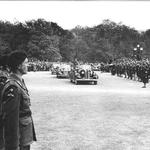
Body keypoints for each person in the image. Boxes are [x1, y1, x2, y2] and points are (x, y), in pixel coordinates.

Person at [1, 51, 36, 150]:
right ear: (18, 66)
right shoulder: (13, 87)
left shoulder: (19, 82)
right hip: (19, 138)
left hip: (24, 135)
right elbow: (11, 119)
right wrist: (13, 145)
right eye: (26, 63)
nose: (28, 65)